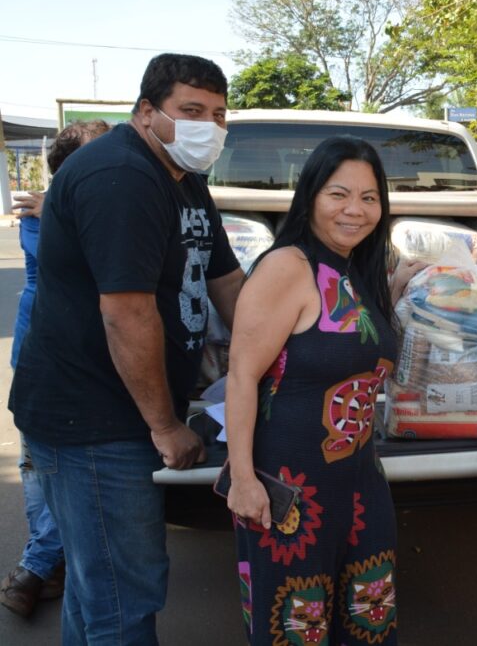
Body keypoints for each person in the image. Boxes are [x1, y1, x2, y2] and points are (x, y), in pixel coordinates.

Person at [8, 53, 245, 643]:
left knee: (96, 594)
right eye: (191, 111)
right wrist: (166, 426)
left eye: (219, 115)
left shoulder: (183, 179)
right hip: (93, 420)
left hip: (117, 413)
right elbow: (126, 311)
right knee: (122, 594)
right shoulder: (122, 177)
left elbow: (228, 283)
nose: (208, 127)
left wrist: (287, 355)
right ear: (146, 113)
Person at [225, 137, 399, 645]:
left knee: (366, 617)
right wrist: (242, 480)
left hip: (360, 483)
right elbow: (241, 375)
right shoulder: (288, 267)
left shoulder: (359, 268)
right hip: (290, 489)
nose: (355, 210)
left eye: (369, 198)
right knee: (295, 627)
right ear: (310, 197)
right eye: (338, 194)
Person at [1, 119, 110, 620]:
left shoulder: (95, 207)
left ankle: (40, 566)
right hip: (41, 357)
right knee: (40, 470)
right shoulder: (42, 214)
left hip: (91, 362)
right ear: (65, 169)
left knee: (60, 471)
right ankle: (42, 564)